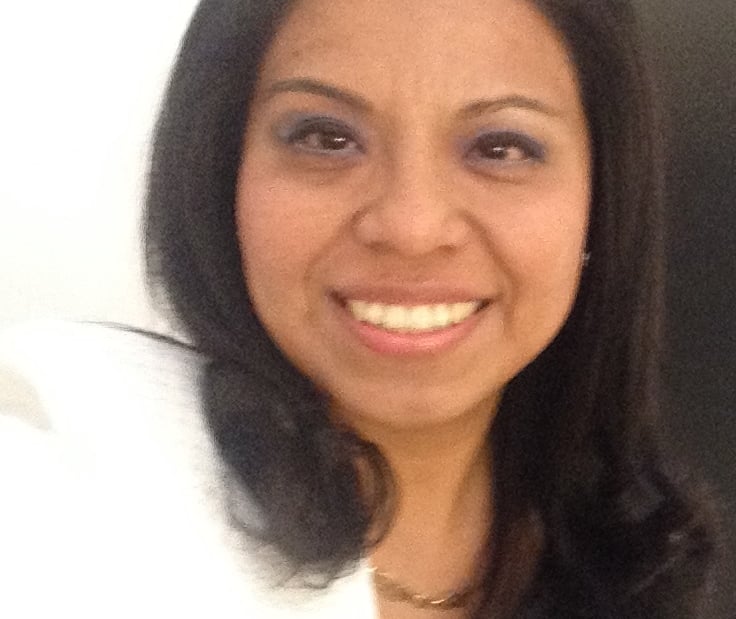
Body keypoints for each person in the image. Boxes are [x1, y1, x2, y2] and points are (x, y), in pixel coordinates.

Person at [0, 0, 718, 617]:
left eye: (500, 147)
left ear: (600, 198)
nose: (411, 226)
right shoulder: (69, 494)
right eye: (326, 138)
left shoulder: (638, 563)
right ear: (222, 173)